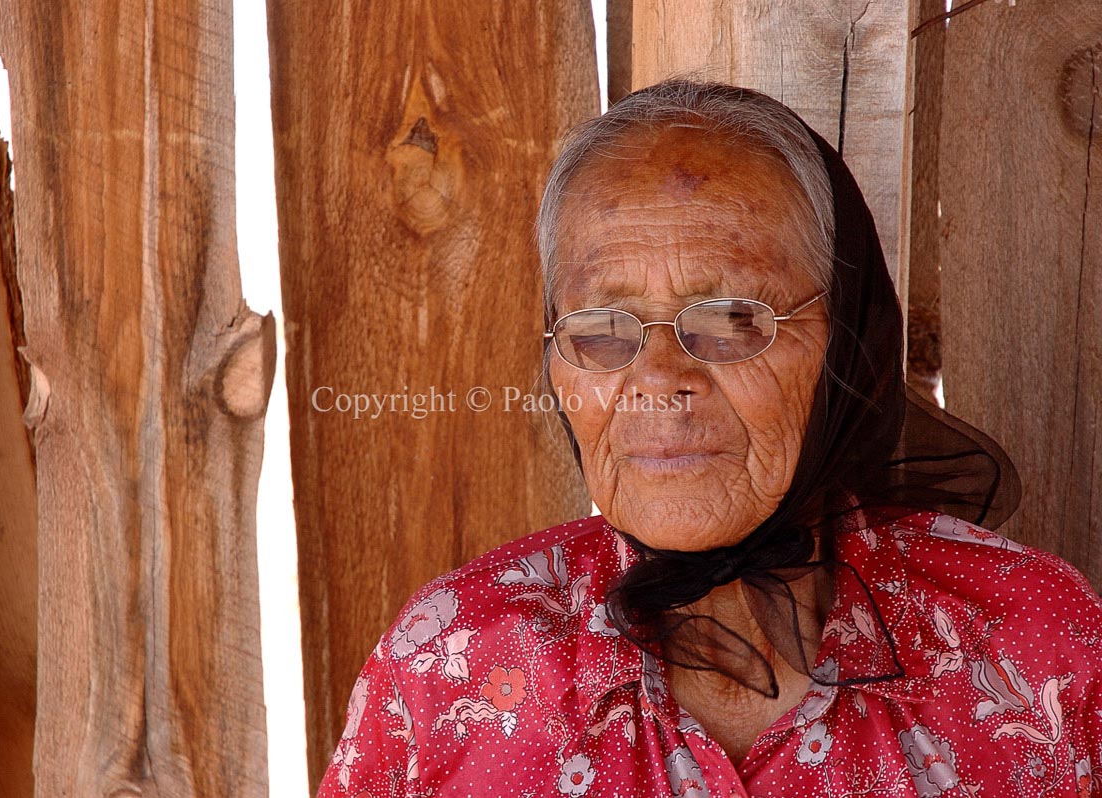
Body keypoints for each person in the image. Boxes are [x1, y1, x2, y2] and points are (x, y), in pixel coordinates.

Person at [317, 78, 1102, 797]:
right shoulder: (450, 665)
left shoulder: (1036, 646)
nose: (658, 378)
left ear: (847, 343)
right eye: (601, 327)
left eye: (731, 320)